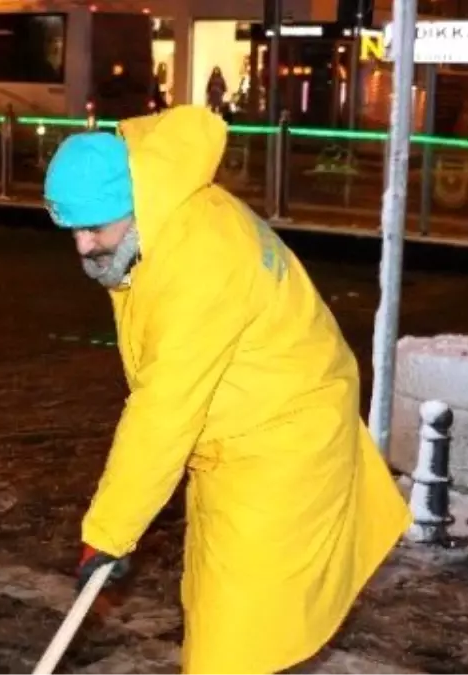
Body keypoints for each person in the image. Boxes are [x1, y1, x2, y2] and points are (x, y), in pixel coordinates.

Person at [43, 104, 411, 673]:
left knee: (234, 646)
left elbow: (165, 407)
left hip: (283, 448)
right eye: (73, 230)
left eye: (94, 228)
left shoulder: (199, 261)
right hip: (239, 437)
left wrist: (110, 533)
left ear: (135, 206)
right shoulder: (167, 220)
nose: (84, 247)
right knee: (215, 614)